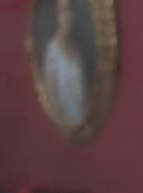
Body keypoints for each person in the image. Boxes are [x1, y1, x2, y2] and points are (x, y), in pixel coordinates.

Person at [41, 0, 90, 128]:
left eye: (69, 10)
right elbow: (52, 100)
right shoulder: (52, 52)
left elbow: (83, 97)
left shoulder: (77, 50)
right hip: (65, 126)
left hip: (82, 124)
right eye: (62, 11)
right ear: (56, 15)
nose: (66, 16)